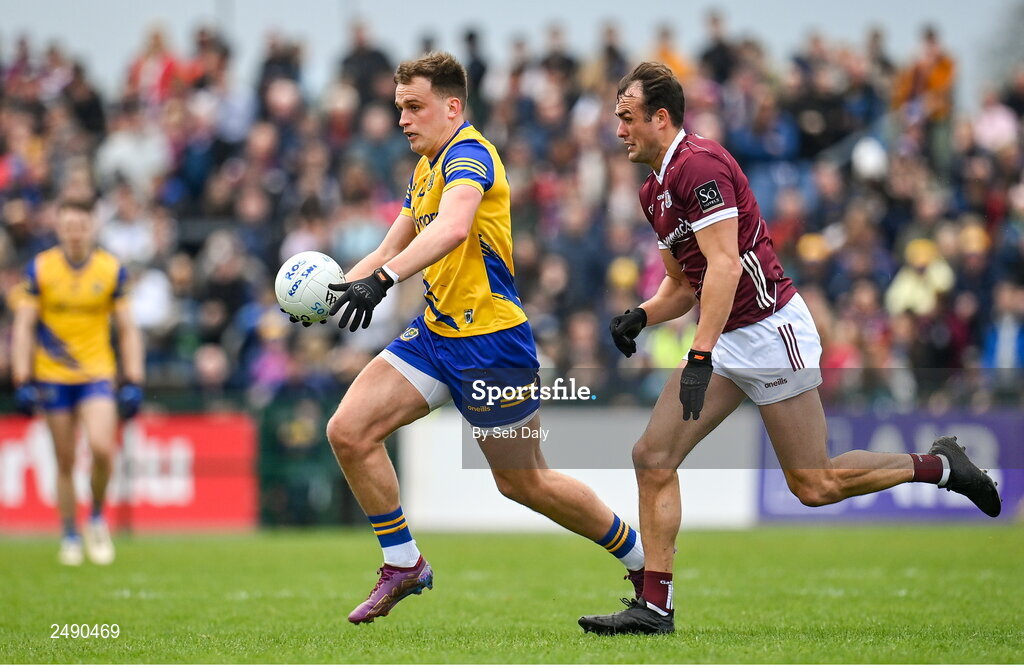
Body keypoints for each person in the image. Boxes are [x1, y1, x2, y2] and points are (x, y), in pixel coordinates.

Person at [577, 62, 1001, 636]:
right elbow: (684, 284)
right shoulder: (654, 188)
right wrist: (642, 316)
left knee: (815, 484)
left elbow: (725, 266)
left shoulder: (698, 165)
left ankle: (941, 465)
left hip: (771, 332)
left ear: (660, 117)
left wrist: (698, 355)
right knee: (652, 457)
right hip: (726, 334)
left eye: (627, 117)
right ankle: (654, 608)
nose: (619, 129)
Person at [288, 52, 646, 625]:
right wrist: (333, 292)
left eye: (414, 107)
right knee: (349, 431)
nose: (403, 119)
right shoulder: (425, 166)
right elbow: (385, 250)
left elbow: (454, 228)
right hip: (434, 334)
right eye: (399, 108)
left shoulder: (471, 155)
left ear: (452, 107)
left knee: (524, 481)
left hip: (491, 344)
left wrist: (382, 282)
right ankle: (403, 563)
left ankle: (643, 561)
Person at [10, 199, 145, 566]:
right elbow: (23, 327)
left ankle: (97, 516)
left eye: (81, 226)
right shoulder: (41, 269)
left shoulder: (110, 269)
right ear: (59, 228)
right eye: (68, 226)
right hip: (52, 375)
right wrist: (21, 377)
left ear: (92, 228)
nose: (75, 233)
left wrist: (133, 378)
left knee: (102, 449)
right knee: (65, 460)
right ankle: (70, 532)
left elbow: (128, 330)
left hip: (96, 374)